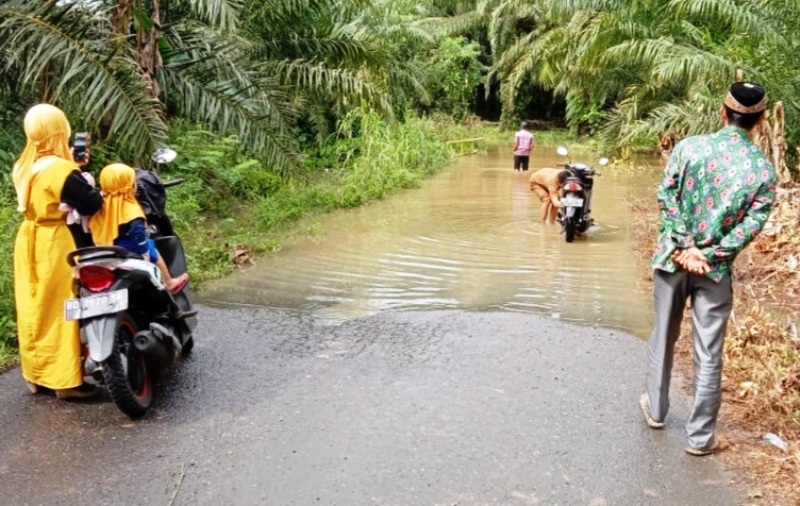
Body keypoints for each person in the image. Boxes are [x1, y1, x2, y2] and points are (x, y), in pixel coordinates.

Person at [640, 82, 777, 456]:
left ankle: (655, 409)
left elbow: (666, 195)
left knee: (663, 335)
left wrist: (685, 246)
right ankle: (701, 438)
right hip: (714, 273)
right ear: (761, 120)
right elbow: (749, 228)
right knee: (709, 350)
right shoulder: (763, 171)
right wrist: (710, 255)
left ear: (722, 111)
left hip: (672, 259)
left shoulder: (688, 148)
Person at [12, 103, 103, 399]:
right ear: (58, 131)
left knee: (33, 307)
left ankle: (36, 375)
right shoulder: (61, 170)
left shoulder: (23, 165)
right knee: (60, 307)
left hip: (28, 238)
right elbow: (89, 203)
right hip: (54, 240)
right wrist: (81, 174)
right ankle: (65, 381)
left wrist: (75, 168)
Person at [89, 163, 189, 294]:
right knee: (151, 246)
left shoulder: (98, 206)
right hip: (130, 252)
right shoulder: (131, 210)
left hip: (104, 250)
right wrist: (144, 253)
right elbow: (139, 238)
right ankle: (169, 282)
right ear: (131, 185)